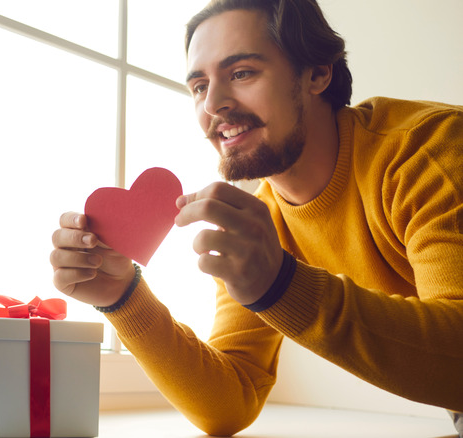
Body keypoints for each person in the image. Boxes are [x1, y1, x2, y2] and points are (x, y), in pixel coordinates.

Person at [49, 0, 463, 436]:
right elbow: (229, 402)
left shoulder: (428, 152)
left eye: (242, 73)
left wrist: (281, 285)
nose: (213, 105)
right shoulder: (259, 223)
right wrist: (122, 297)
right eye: (199, 86)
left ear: (318, 72)